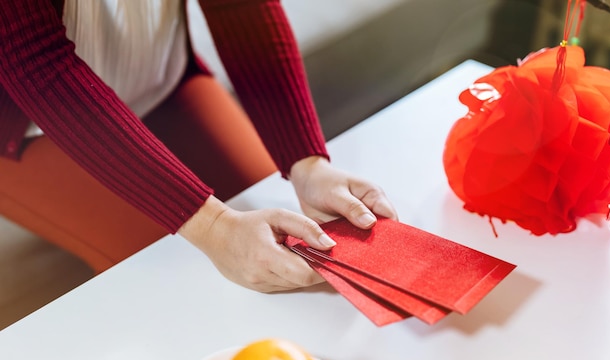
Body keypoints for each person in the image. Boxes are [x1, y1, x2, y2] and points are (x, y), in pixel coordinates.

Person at [0, 0, 397, 292]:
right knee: (178, 282)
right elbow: (36, 60)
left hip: (162, 78)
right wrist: (213, 225)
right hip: (23, 124)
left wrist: (307, 162)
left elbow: (237, 7)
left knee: (275, 237)